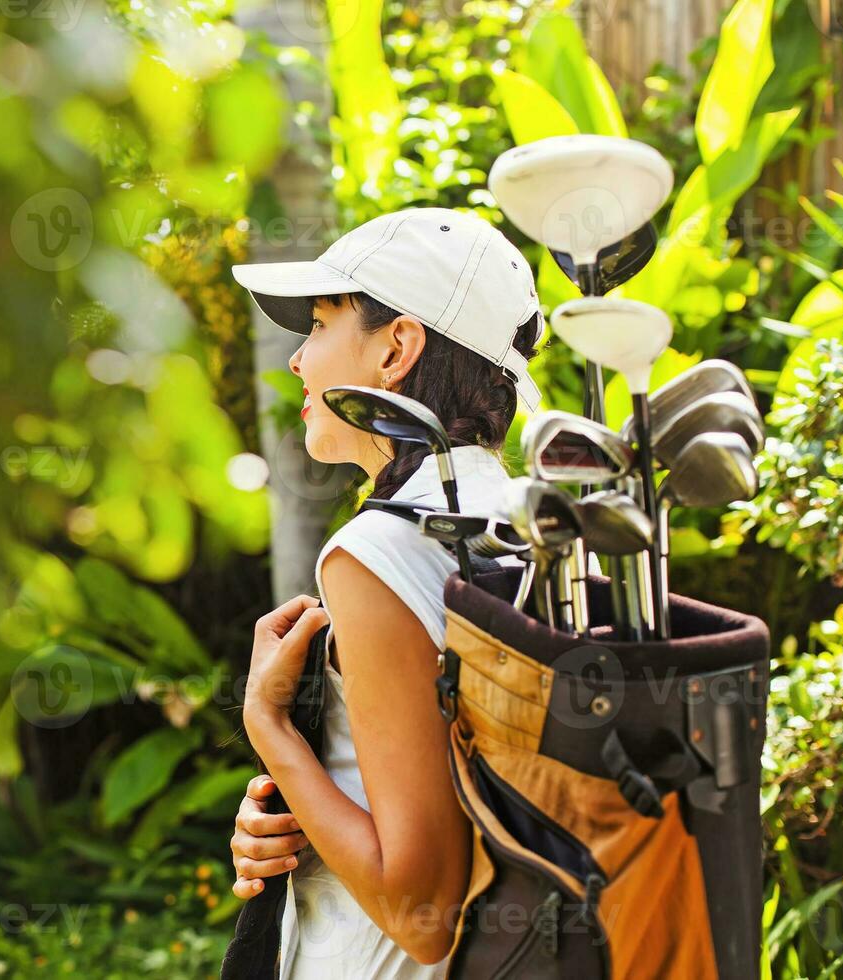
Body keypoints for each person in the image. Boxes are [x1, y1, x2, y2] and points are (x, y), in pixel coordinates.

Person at [225, 208, 546, 978]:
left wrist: (270, 727)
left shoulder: (376, 551)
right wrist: (297, 807)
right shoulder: (530, 523)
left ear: (398, 348)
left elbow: (423, 912)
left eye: (322, 323)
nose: (299, 361)